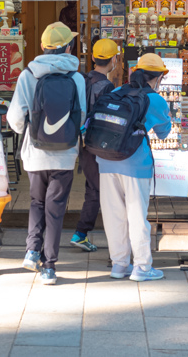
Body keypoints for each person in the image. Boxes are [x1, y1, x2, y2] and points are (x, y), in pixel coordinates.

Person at [7, 22, 87, 286]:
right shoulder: (76, 77)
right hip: (65, 153)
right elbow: (82, 115)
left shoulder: (28, 75)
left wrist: (27, 130)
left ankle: (32, 250)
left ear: (42, 46)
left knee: (36, 202)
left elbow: (16, 118)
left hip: (36, 152)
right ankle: (49, 267)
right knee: (55, 208)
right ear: (68, 47)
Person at [98, 53, 173, 282]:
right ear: (159, 77)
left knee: (113, 215)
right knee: (137, 215)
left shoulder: (116, 92)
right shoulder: (156, 100)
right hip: (135, 162)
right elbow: (163, 133)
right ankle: (141, 266)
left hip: (105, 159)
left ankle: (119, 265)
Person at [70, 38, 119, 253]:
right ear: (114, 60)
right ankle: (81, 233)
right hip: (98, 143)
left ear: (92, 58)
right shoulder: (107, 86)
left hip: (82, 142)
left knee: (94, 188)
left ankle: (81, 233)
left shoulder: (82, 78)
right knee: (97, 190)